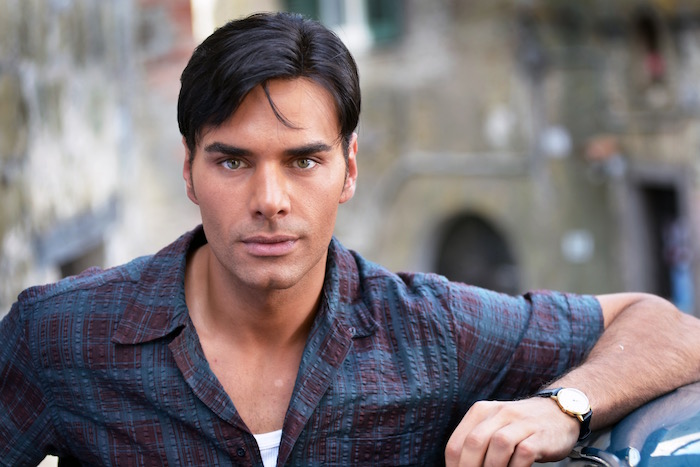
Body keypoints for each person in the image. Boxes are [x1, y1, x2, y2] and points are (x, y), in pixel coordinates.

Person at [1, 11, 699, 467]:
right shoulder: (61, 334)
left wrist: (564, 407)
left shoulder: (429, 330)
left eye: (303, 160)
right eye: (233, 161)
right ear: (188, 169)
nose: (270, 200)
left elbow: (666, 326)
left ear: (349, 168)